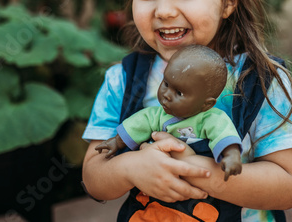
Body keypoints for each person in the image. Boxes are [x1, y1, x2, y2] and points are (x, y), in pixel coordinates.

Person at [82, 0, 292, 221]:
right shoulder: (121, 80)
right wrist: (131, 168)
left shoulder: (263, 81)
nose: (163, 10)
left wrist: (196, 171)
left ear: (228, 0)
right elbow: (94, 179)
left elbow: (286, 187)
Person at [95, 45, 242, 181]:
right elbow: (137, 125)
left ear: (206, 104)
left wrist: (231, 155)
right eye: (166, 83)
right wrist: (116, 142)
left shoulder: (211, 119)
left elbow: (224, 134)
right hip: (158, 181)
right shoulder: (156, 115)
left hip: (200, 189)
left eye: (179, 93)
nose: (166, 94)